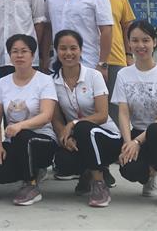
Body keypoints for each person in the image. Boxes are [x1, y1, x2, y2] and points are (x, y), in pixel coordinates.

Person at [113, 19, 157, 207]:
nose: (140, 45)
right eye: (135, 40)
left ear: (154, 42)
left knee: (156, 130)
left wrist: (137, 142)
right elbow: (123, 113)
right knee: (129, 169)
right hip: (138, 133)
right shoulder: (123, 75)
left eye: (145, 40)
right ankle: (150, 174)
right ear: (129, 43)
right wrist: (128, 142)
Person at [50, 29, 122, 208]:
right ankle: (88, 172)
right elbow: (56, 118)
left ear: (81, 50)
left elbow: (102, 115)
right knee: (63, 161)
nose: (68, 53)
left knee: (83, 128)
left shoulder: (93, 76)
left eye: (73, 48)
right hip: (79, 138)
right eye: (63, 48)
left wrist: (73, 123)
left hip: (107, 138)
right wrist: (64, 137)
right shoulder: (52, 81)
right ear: (56, 51)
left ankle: (99, 183)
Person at [0, 34, 58, 206]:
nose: (19, 55)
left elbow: (46, 115)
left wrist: (20, 126)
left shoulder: (44, 80)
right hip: (14, 140)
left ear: (32, 55)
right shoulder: (3, 83)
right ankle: (33, 171)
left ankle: (31, 185)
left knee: (23, 136)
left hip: (42, 140)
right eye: (15, 51)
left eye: (24, 51)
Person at [87, 0, 136, 122]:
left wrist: (129, 55)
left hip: (116, 59)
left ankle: (119, 136)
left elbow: (127, 27)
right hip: (89, 60)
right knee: (90, 106)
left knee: (116, 106)